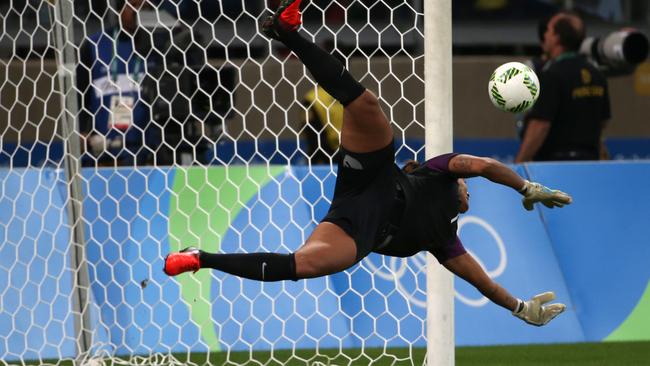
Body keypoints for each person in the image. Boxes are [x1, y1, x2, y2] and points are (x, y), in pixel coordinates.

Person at [164, 0, 571, 327]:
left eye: (468, 191)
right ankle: (287, 31)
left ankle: (201, 258)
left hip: (359, 226)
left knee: (301, 265)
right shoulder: (441, 172)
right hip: (376, 176)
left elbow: (483, 282)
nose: (469, 192)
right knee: (366, 105)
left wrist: (520, 308)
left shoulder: (445, 241)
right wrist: (525, 186)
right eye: (467, 188)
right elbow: (482, 165)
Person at [515, 11, 611, 163]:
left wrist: (519, 164)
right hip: (591, 163)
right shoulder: (596, 74)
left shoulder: (551, 75)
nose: (544, 36)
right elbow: (603, 122)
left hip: (556, 165)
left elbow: (540, 126)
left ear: (557, 38)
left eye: (548, 31)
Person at [77, 0, 154, 167]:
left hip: (148, 154)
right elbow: (79, 94)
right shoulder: (95, 46)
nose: (138, 12)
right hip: (104, 153)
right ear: (119, 9)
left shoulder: (158, 47)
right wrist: (81, 131)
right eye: (133, 5)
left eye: (144, 6)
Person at [300, 84, 344, 164]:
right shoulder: (351, 94)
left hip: (323, 158)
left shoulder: (312, 98)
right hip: (351, 154)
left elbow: (311, 133)